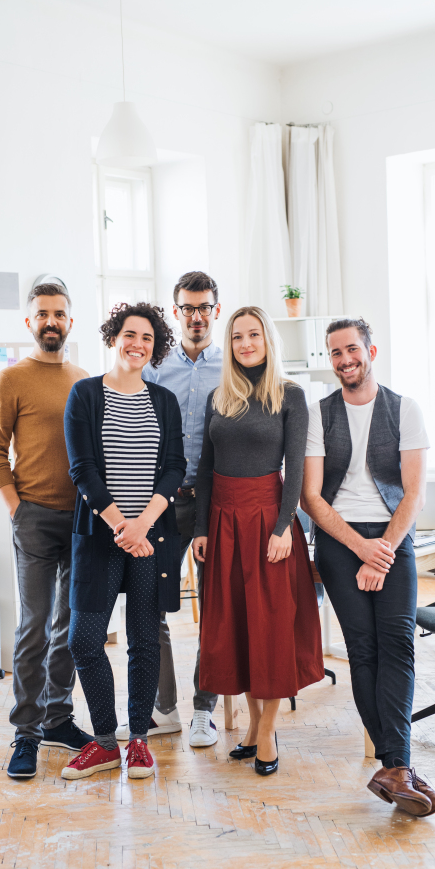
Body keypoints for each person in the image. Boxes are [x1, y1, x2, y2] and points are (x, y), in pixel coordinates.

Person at [301, 317, 435, 816]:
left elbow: (414, 493)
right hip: (341, 540)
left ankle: (394, 766)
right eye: (335, 353)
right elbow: (312, 497)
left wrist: (381, 548)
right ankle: (399, 765)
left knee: (398, 643)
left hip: (392, 534)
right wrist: (361, 550)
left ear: (371, 351)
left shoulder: (404, 409)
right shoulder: (319, 413)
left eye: (351, 350)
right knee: (363, 648)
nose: (344, 360)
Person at [193, 306, 324, 776]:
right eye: (237, 337)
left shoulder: (290, 395)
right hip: (223, 521)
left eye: (253, 335)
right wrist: (201, 528)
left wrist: (285, 526)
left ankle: (267, 731)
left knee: (269, 630)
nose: (245, 343)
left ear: (268, 339)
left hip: (269, 520)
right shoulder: (218, 397)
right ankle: (252, 725)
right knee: (239, 629)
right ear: (228, 346)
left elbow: (294, 473)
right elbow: (207, 470)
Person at [61, 303, 186, 781]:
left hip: (152, 538)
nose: (138, 344)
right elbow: (83, 469)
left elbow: (174, 468)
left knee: (144, 640)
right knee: (84, 640)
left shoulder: (164, 401)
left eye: (148, 338)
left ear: (156, 348)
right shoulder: (86, 395)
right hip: (100, 535)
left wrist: (143, 525)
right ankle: (104, 741)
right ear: (114, 337)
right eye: (130, 334)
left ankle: (137, 741)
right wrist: (122, 526)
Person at [0, 283, 92, 779]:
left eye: (60, 313)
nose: (52, 321)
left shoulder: (84, 380)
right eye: (43, 314)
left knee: (69, 627)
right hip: (35, 518)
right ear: (30, 323)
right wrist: (15, 508)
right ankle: (25, 732)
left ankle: (58, 718)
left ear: (71, 321)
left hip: (83, 521)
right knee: (34, 626)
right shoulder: (12, 380)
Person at [115, 271, 223, 748]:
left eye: (204, 307)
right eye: (187, 308)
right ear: (175, 312)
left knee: (216, 609)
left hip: (217, 506)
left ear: (216, 310)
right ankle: (166, 708)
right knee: (152, 605)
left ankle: (205, 709)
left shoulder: (235, 365)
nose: (196, 316)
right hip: (162, 505)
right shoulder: (154, 368)